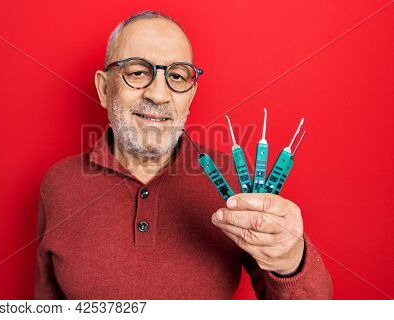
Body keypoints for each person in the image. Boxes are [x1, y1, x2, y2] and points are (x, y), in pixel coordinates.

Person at [34, 10, 333, 299]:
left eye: (177, 77)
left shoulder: (232, 179)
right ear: (104, 89)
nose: (159, 94)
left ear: (190, 97)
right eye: (137, 72)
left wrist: (291, 260)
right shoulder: (59, 183)